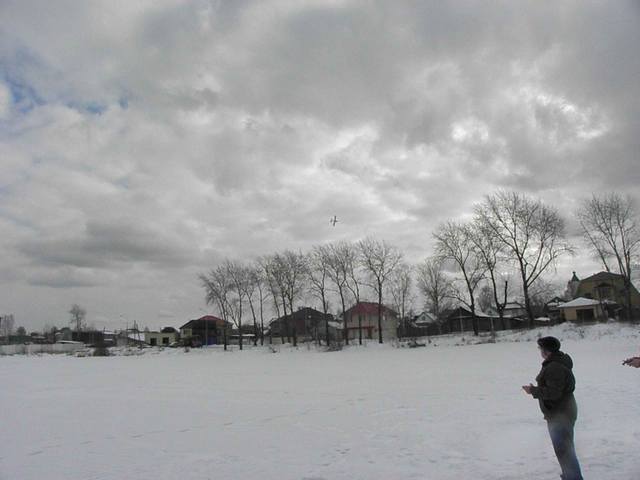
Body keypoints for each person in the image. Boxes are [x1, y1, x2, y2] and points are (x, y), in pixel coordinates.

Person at [522, 336, 583, 480]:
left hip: (560, 414)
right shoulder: (558, 362)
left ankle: (573, 477)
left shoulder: (554, 367)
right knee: (564, 449)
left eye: (541, 348)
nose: (540, 351)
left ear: (546, 351)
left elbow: (554, 393)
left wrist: (533, 391)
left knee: (564, 450)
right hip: (563, 411)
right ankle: (570, 476)